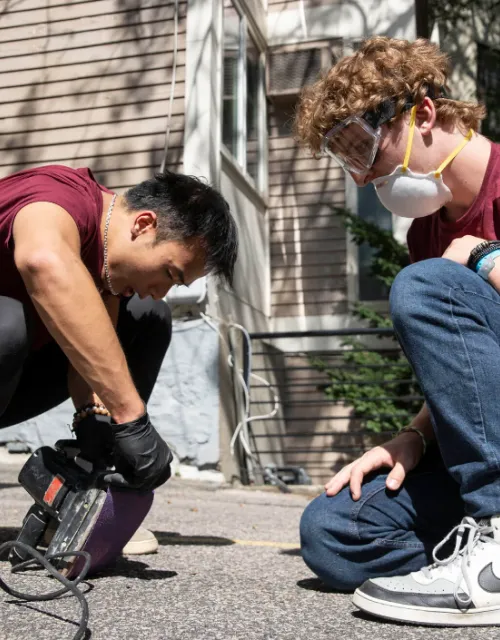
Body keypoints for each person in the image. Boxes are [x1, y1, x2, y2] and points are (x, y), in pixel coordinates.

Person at [294, 36, 500, 626]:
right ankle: (477, 543)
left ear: (424, 114)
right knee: (335, 530)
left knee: (426, 284)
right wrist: (414, 435)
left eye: (362, 146)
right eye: (346, 158)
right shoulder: (425, 238)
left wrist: (485, 258)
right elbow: (473, 364)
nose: (361, 178)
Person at [0, 164, 238, 551]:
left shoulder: (109, 269)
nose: (161, 290)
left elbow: (91, 356)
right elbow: (42, 261)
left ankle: (89, 500)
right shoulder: (59, 197)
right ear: (143, 224)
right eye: (169, 273)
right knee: (8, 323)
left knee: (147, 318)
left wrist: (97, 424)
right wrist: (132, 419)